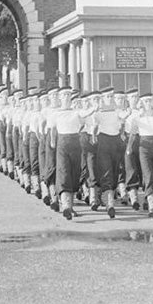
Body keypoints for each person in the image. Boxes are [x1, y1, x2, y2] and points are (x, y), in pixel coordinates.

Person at [94, 87, 127, 218]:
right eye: (107, 97)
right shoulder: (98, 112)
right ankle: (109, 203)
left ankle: (106, 196)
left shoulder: (117, 111)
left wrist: (127, 114)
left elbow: (123, 118)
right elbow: (93, 123)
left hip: (116, 142)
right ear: (102, 99)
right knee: (106, 172)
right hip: (104, 142)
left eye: (111, 97)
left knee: (114, 172)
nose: (110, 99)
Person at [55, 88, 87, 219]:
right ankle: (66, 206)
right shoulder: (56, 113)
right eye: (64, 95)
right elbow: (51, 128)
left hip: (75, 142)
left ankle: (70, 207)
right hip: (62, 142)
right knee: (64, 172)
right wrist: (52, 142)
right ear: (60, 98)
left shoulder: (76, 112)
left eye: (68, 95)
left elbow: (83, 123)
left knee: (74, 174)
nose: (67, 97)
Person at [136, 92, 153, 218]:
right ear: (141, 103)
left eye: (150, 101)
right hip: (144, 146)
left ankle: (148, 197)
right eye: (145, 101)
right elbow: (131, 129)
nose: (148, 104)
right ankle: (152, 206)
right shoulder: (138, 116)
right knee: (148, 174)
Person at [123, 88, 142, 210]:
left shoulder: (142, 111)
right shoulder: (124, 112)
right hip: (128, 140)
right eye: (132, 97)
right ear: (127, 99)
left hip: (141, 140)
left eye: (136, 97)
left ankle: (144, 197)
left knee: (141, 169)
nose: (134, 99)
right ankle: (133, 197)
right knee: (130, 169)